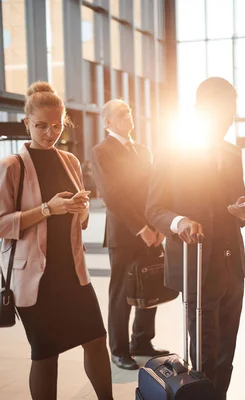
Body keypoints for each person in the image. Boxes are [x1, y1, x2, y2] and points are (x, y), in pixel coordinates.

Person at [0, 82, 112, 399]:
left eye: (57, 125)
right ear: (26, 124)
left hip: (73, 273)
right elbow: (1, 225)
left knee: (95, 339)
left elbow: (81, 219)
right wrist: (48, 209)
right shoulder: (12, 167)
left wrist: (81, 208)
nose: (50, 133)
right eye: (41, 126)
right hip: (35, 279)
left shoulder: (70, 161)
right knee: (46, 355)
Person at [146, 77, 245, 400]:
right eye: (222, 114)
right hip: (197, 266)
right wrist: (179, 222)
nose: (227, 121)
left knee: (227, 352)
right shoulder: (172, 151)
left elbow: (237, 204)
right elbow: (154, 209)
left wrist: (242, 212)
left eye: (231, 114)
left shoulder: (232, 153)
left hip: (232, 266)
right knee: (204, 353)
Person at [91, 99, 169, 370]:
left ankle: (142, 341)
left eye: (129, 113)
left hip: (151, 230)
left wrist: (157, 226)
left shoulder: (143, 150)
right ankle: (119, 350)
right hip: (125, 234)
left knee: (149, 285)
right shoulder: (102, 151)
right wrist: (142, 228)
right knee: (122, 293)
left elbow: (154, 188)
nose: (128, 117)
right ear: (108, 122)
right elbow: (113, 196)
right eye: (122, 114)